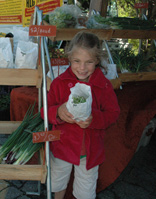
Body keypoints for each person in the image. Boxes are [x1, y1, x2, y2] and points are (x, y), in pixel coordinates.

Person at [42, 31, 120, 199]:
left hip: (89, 152)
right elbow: (44, 110)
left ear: (97, 61)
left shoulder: (103, 86)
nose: (82, 68)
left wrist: (94, 119)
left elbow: (113, 113)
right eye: (77, 61)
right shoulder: (59, 83)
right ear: (69, 58)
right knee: (57, 183)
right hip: (62, 146)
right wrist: (58, 112)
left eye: (89, 62)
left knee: (85, 191)